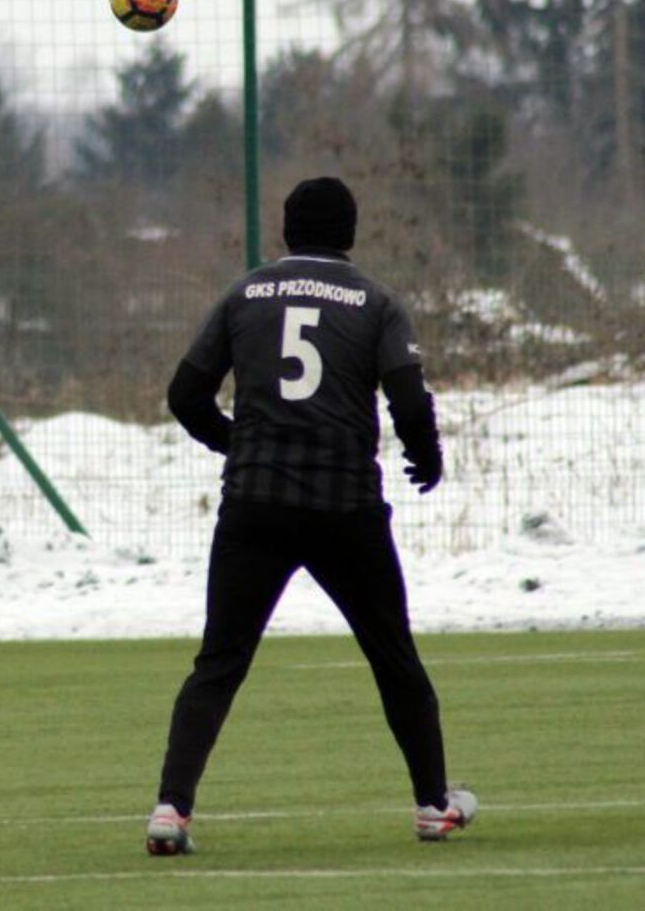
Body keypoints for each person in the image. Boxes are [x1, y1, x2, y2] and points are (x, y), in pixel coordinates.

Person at [143, 177, 474, 855]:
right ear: (350, 234)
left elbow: (184, 395)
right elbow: (409, 403)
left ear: (287, 231)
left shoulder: (246, 294)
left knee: (219, 661)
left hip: (255, 503)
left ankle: (171, 810)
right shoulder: (376, 301)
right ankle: (433, 804)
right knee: (392, 658)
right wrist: (425, 456)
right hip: (343, 505)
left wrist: (237, 440)